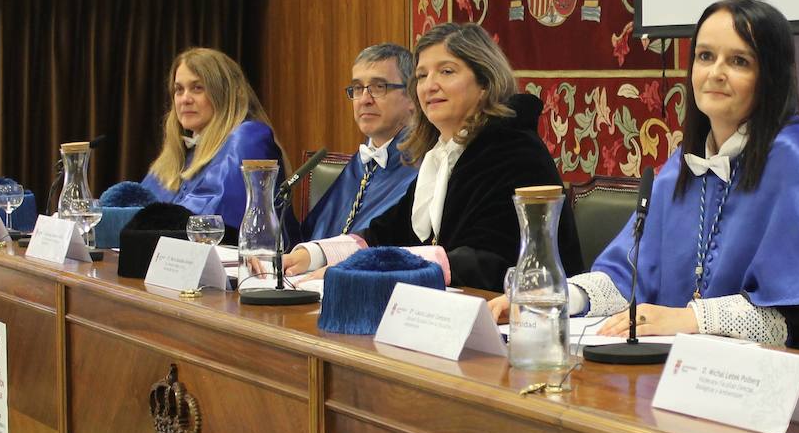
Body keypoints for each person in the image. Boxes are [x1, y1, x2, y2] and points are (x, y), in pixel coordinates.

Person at [491, 0, 799, 355]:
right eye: (706, 56)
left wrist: (692, 318)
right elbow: (628, 275)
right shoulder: (683, 163)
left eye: (739, 61)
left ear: (771, 76)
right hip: (681, 371)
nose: (716, 73)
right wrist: (552, 298)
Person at [284, 22, 582, 291]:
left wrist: (364, 266)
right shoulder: (444, 154)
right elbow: (384, 233)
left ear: (484, 83)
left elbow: (489, 261)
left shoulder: (512, 149)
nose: (430, 85)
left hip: (525, 322)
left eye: (447, 71)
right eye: (422, 75)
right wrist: (313, 254)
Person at [142, 48, 290, 233]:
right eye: (179, 90)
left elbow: (209, 221)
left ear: (225, 94)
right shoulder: (179, 154)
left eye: (197, 88)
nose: (185, 99)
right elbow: (137, 208)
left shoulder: (248, 138)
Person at [300, 43, 419, 241]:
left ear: (412, 96)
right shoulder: (358, 165)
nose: (364, 99)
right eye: (357, 88)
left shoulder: (423, 169)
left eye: (378, 87)